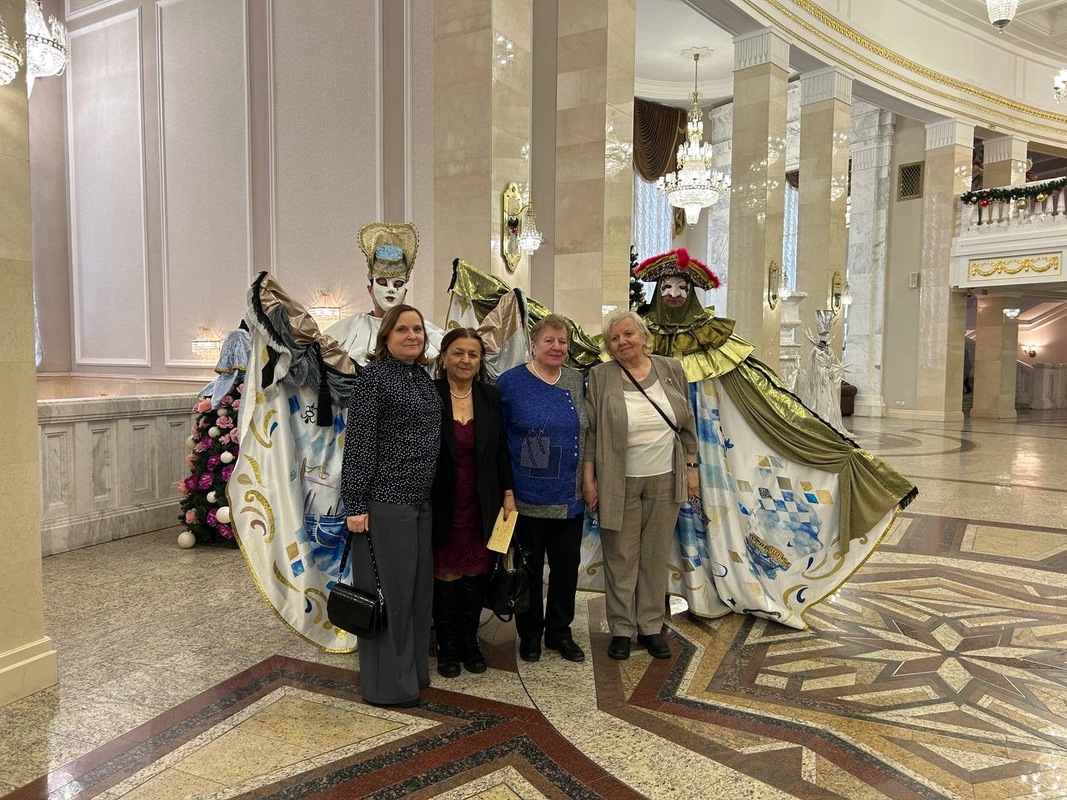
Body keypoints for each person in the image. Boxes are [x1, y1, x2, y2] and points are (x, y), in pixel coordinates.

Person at [340, 304, 441, 707]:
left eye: (417, 329)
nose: (412, 336)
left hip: (420, 501)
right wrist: (355, 503)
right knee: (390, 596)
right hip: (386, 502)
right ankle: (387, 686)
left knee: (417, 594)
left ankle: (413, 673)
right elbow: (359, 443)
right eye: (402, 329)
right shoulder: (374, 378)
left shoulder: (421, 377)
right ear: (386, 337)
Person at [583, 311, 697, 660]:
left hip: (666, 477)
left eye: (628, 334)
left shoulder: (670, 369)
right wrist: (589, 479)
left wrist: (692, 468)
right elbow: (591, 432)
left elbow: (687, 423)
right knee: (620, 557)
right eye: (614, 338)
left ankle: (650, 627)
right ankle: (621, 629)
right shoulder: (600, 376)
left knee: (654, 556)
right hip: (617, 480)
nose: (622, 342)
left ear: (643, 336)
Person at [496, 314, 588, 663]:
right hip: (526, 497)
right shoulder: (510, 382)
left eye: (563, 341)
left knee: (566, 569)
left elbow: (587, 432)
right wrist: (506, 491)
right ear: (533, 346)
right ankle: (531, 634)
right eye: (549, 340)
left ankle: (560, 632)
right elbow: (499, 441)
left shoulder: (576, 380)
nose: (557, 347)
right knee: (529, 569)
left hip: (569, 496)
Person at [429, 329, 516, 678]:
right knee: (445, 573)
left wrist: (509, 493)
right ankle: (447, 645)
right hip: (442, 501)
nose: (466, 360)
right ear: (444, 357)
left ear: (480, 361)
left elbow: (501, 449)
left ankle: (469, 642)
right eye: (458, 353)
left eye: (473, 354)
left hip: (483, 501)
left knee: (475, 573)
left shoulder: (490, 396)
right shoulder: (430, 394)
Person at [326, 222, 444, 365]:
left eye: (398, 284)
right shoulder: (351, 328)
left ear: (405, 292)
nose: (391, 289)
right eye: (382, 282)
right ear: (370, 290)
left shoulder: (421, 330)